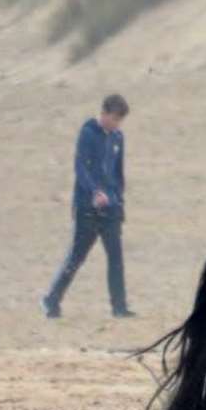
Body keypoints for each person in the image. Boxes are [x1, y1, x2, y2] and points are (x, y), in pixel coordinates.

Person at [42, 93, 133, 319]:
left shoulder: (118, 137)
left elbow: (118, 172)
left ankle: (119, 307)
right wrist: (94, 192)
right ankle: (51, 299)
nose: (116, 124)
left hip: (111, 209)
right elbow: (80, 167)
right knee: (76, 257)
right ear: (103, 113)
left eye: (120, 121)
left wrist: (117, 199)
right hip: (87, 208)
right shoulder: (88, 133)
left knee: (116, 258)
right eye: (114, 119)